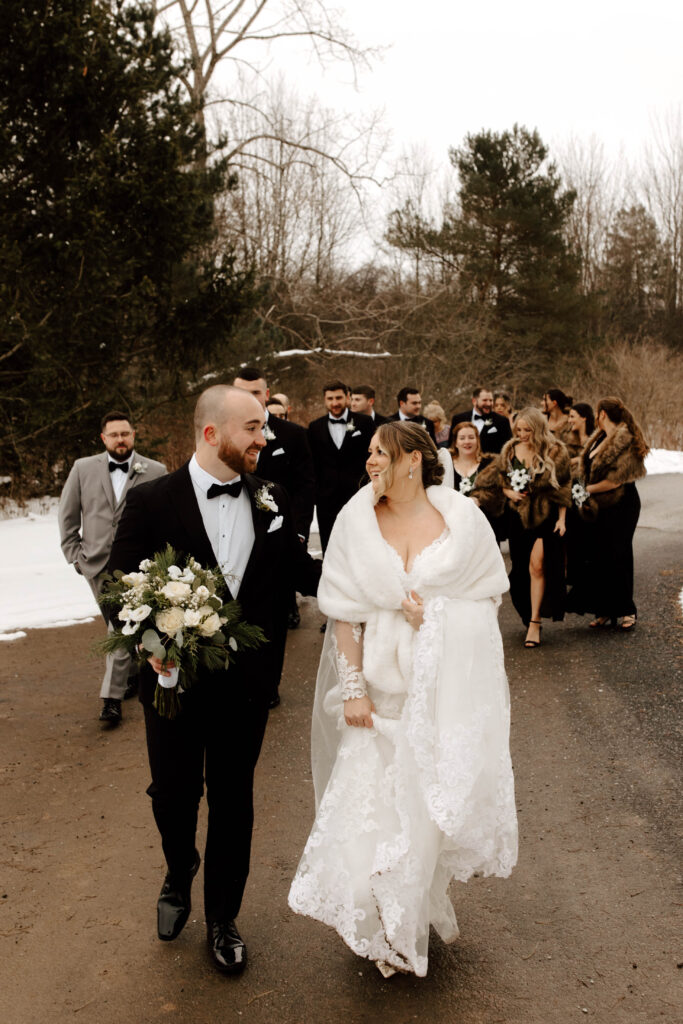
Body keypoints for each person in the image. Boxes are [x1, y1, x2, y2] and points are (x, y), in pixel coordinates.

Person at [289, 422, 516, 977]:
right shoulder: (356, 522)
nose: (369, 462)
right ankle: (377, 921)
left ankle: (408, 915)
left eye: (378, 453)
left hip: (439, 701)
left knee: (420, 823)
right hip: (381, 702)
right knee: (369, 820)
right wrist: (353, 690)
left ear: (413, 459)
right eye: (367, 453)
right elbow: (345, 613)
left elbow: (487, 606)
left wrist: (433, 616)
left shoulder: (463, 523)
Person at [108, 386, 320, 974]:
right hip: (171, 684)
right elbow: (116, 584)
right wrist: (151, 645)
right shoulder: (152, 501)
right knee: (173, 795)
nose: (266, 437)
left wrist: (375, 576)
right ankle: (179, 868)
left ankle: (224, 918)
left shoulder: (272, 498)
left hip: (247, 686)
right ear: (212, 434)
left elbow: (301, 571)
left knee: (234, 802)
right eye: (254, 427)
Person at [58, 411, 166, 726]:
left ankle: (111, 699)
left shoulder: (156, 470)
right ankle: (131, 673)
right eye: (114, 434)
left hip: (136, 566)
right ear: (103, 438)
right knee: (117, 625)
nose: (121, 439)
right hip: (95, 563)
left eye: (125, 433)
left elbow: (163, 517)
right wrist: (74, 556)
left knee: (118, 626)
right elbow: (68, 514)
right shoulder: (82, 468)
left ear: (134, 435)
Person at [233, 367, 315, 689]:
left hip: (282, 536)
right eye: (241, 392)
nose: (249, 398)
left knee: (277, 613)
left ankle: (270, 684)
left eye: (255, 392)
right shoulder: (229, 433)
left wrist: (297, 532)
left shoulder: (292, 435)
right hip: (239, 538)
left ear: (266, 395)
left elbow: (305, 487)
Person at [474, 408, 571, 647]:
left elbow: (564, 486)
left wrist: (562, 519)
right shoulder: (509, 450)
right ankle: (528, 614)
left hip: (545, 516)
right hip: (516, 518)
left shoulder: (555, 451)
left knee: (537, 566)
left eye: (528, 430)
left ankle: (535, 622)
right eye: (519, 429)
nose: (522, 434)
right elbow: (495, 478)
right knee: (519, 571)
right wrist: (507, 491)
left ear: (538, 429)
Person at [567, 397, 648, 631]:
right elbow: (586, 469)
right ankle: (604, 609)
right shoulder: (599, 438)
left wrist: (584, 490)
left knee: (619, 554)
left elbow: (614, 481)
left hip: (622, 504)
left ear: (602, 413)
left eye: (596, 412)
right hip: (597, 505)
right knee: (599, 555)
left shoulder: (626, 441)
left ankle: (626, 610)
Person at [308, 381, 375, 552]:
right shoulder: (314, 427)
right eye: (330, 398)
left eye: (338, 397)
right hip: (326, 500)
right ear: (324, 400)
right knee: (330, 547)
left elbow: (372, 456)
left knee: (361, 546)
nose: (335, 402)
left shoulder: (365, 423)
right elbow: (312, 464)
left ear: (347, 397)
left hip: (358, 494)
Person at [449, 387, 512, 454]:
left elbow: (507, 449)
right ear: (474, 401)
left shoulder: (502, 421)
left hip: (492, 463)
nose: (488, 404)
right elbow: (451, 445)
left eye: (491, 400)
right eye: (485, 400)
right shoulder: (458, 419)